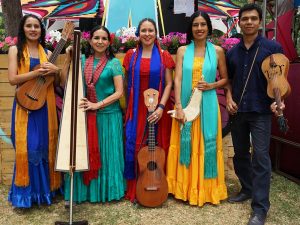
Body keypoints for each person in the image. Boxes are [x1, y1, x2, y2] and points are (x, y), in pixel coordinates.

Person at [225, 4, 284, 225]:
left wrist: (279, 102)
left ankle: (260, 209)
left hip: (261, 111)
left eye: (253, 19)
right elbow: (229, 81)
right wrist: (229, 98)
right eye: (245, 19)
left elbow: (280, 80)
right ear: (239, 22)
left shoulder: (273, 48)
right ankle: (247, 188)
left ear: (259, 22)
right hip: (238, 110)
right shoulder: (232, 52)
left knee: (260, 157)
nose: (248, 22)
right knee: (240, 154)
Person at [166, 10, 228, 206]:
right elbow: (177, 79)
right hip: (185, 104)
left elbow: (226, 79)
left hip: (208, 105)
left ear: (209, 27)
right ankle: (184, 188)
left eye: (203, 24)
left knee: (205, 143)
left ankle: (207, 190)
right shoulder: (183, 51)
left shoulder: (217, 51)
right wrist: (178, 106)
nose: (199, 28)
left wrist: (212, 85)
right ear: (190, 28)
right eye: (195, 25)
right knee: (187, 144)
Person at [63, 25, 126, 203]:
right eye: (96, 38)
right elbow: (63, 80)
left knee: (107, 156)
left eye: (104, 38)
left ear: (109, 42)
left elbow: (119, 92)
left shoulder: (114, 63)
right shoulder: (81, 60)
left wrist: (96, 104)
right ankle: (83, 193)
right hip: (86, 117)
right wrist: (69, 58)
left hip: (108, 116)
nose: (100, 41)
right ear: (90, 41)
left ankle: (107, 192)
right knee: (85, 153)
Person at [7, 14, 62, 208]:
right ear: (23, 28)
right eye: (29, 26)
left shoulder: (47, 52)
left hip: (45, 106)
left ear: (42, 30)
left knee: (45, 147)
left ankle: (46, 192)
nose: (32, 29)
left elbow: (55, 83)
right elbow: (13, 79)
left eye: (36, 26)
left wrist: (55, 71)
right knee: (28, 148)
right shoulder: (15, 50)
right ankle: (26, 195)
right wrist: (36, 72)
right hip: (24, 105)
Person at [123, 18, 175, 202]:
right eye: (143, 30)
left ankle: (158, 183)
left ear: (156, 33)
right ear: (138, 33)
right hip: (136, 109)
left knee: (157, 146)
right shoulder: (131, 56)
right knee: (133, 142)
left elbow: (169, 84)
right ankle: (135, 188)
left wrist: (161, 107)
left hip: (158, 108)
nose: (147, 34)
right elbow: (127, 82)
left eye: (150, 30)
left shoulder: (164, 56)